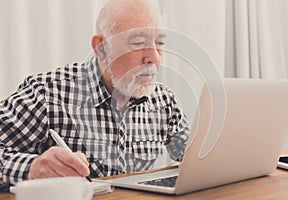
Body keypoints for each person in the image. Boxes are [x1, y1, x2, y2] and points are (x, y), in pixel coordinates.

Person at [0, 0, 190, 187]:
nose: (154, 58)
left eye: (160, 43)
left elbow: (196, 155)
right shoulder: (47, 94)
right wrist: (31, 168)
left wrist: (198, 162)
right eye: (139, 43)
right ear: (101, 48)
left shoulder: (164, 101)